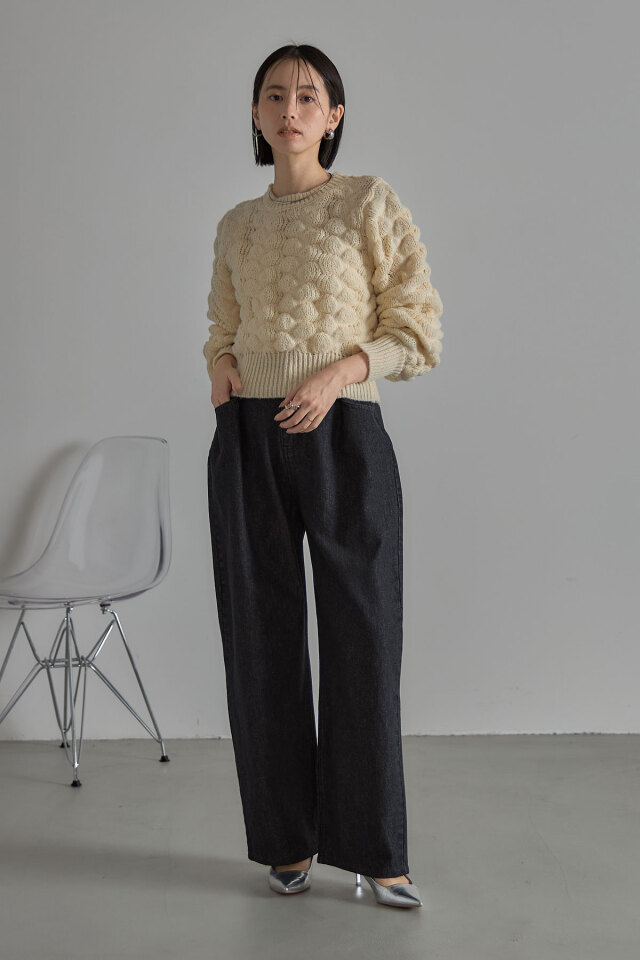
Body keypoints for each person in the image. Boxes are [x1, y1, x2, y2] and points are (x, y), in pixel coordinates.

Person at [204, 43, 443, 909]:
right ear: (256, 115)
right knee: (260, 640)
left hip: (344, 432)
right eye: (275, 96)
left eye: (309, 96)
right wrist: (221, 369)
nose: (291, 109)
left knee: (362, 638)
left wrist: (338, 375)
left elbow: (416, 328)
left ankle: (377, 851)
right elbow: (221, 324)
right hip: (249, 437)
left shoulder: (368, 202)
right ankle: (287, 841)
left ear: (334, 116)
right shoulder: (237, 223)